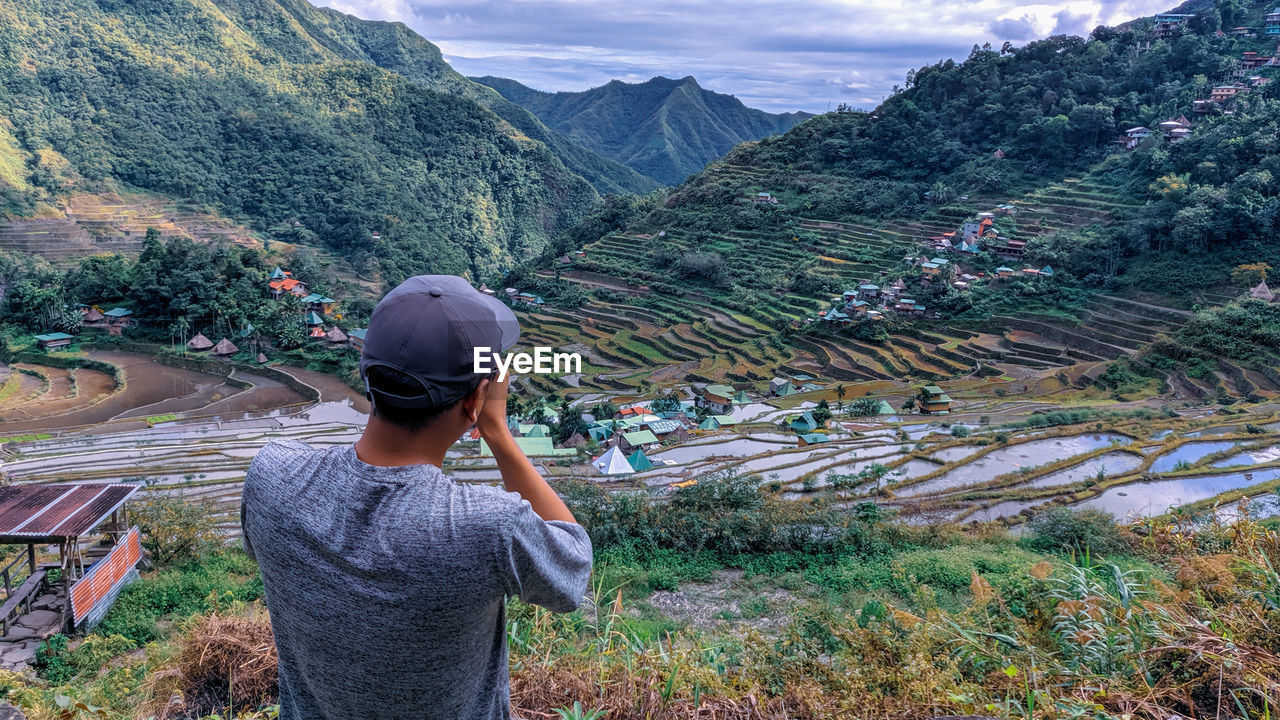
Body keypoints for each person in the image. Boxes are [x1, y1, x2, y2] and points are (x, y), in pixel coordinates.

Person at [242, 275, 592, 720]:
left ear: (366, 374)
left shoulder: (272, 476)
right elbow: (572, 570)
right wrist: (498, 433)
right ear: (476, 400)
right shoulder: (486, 526)